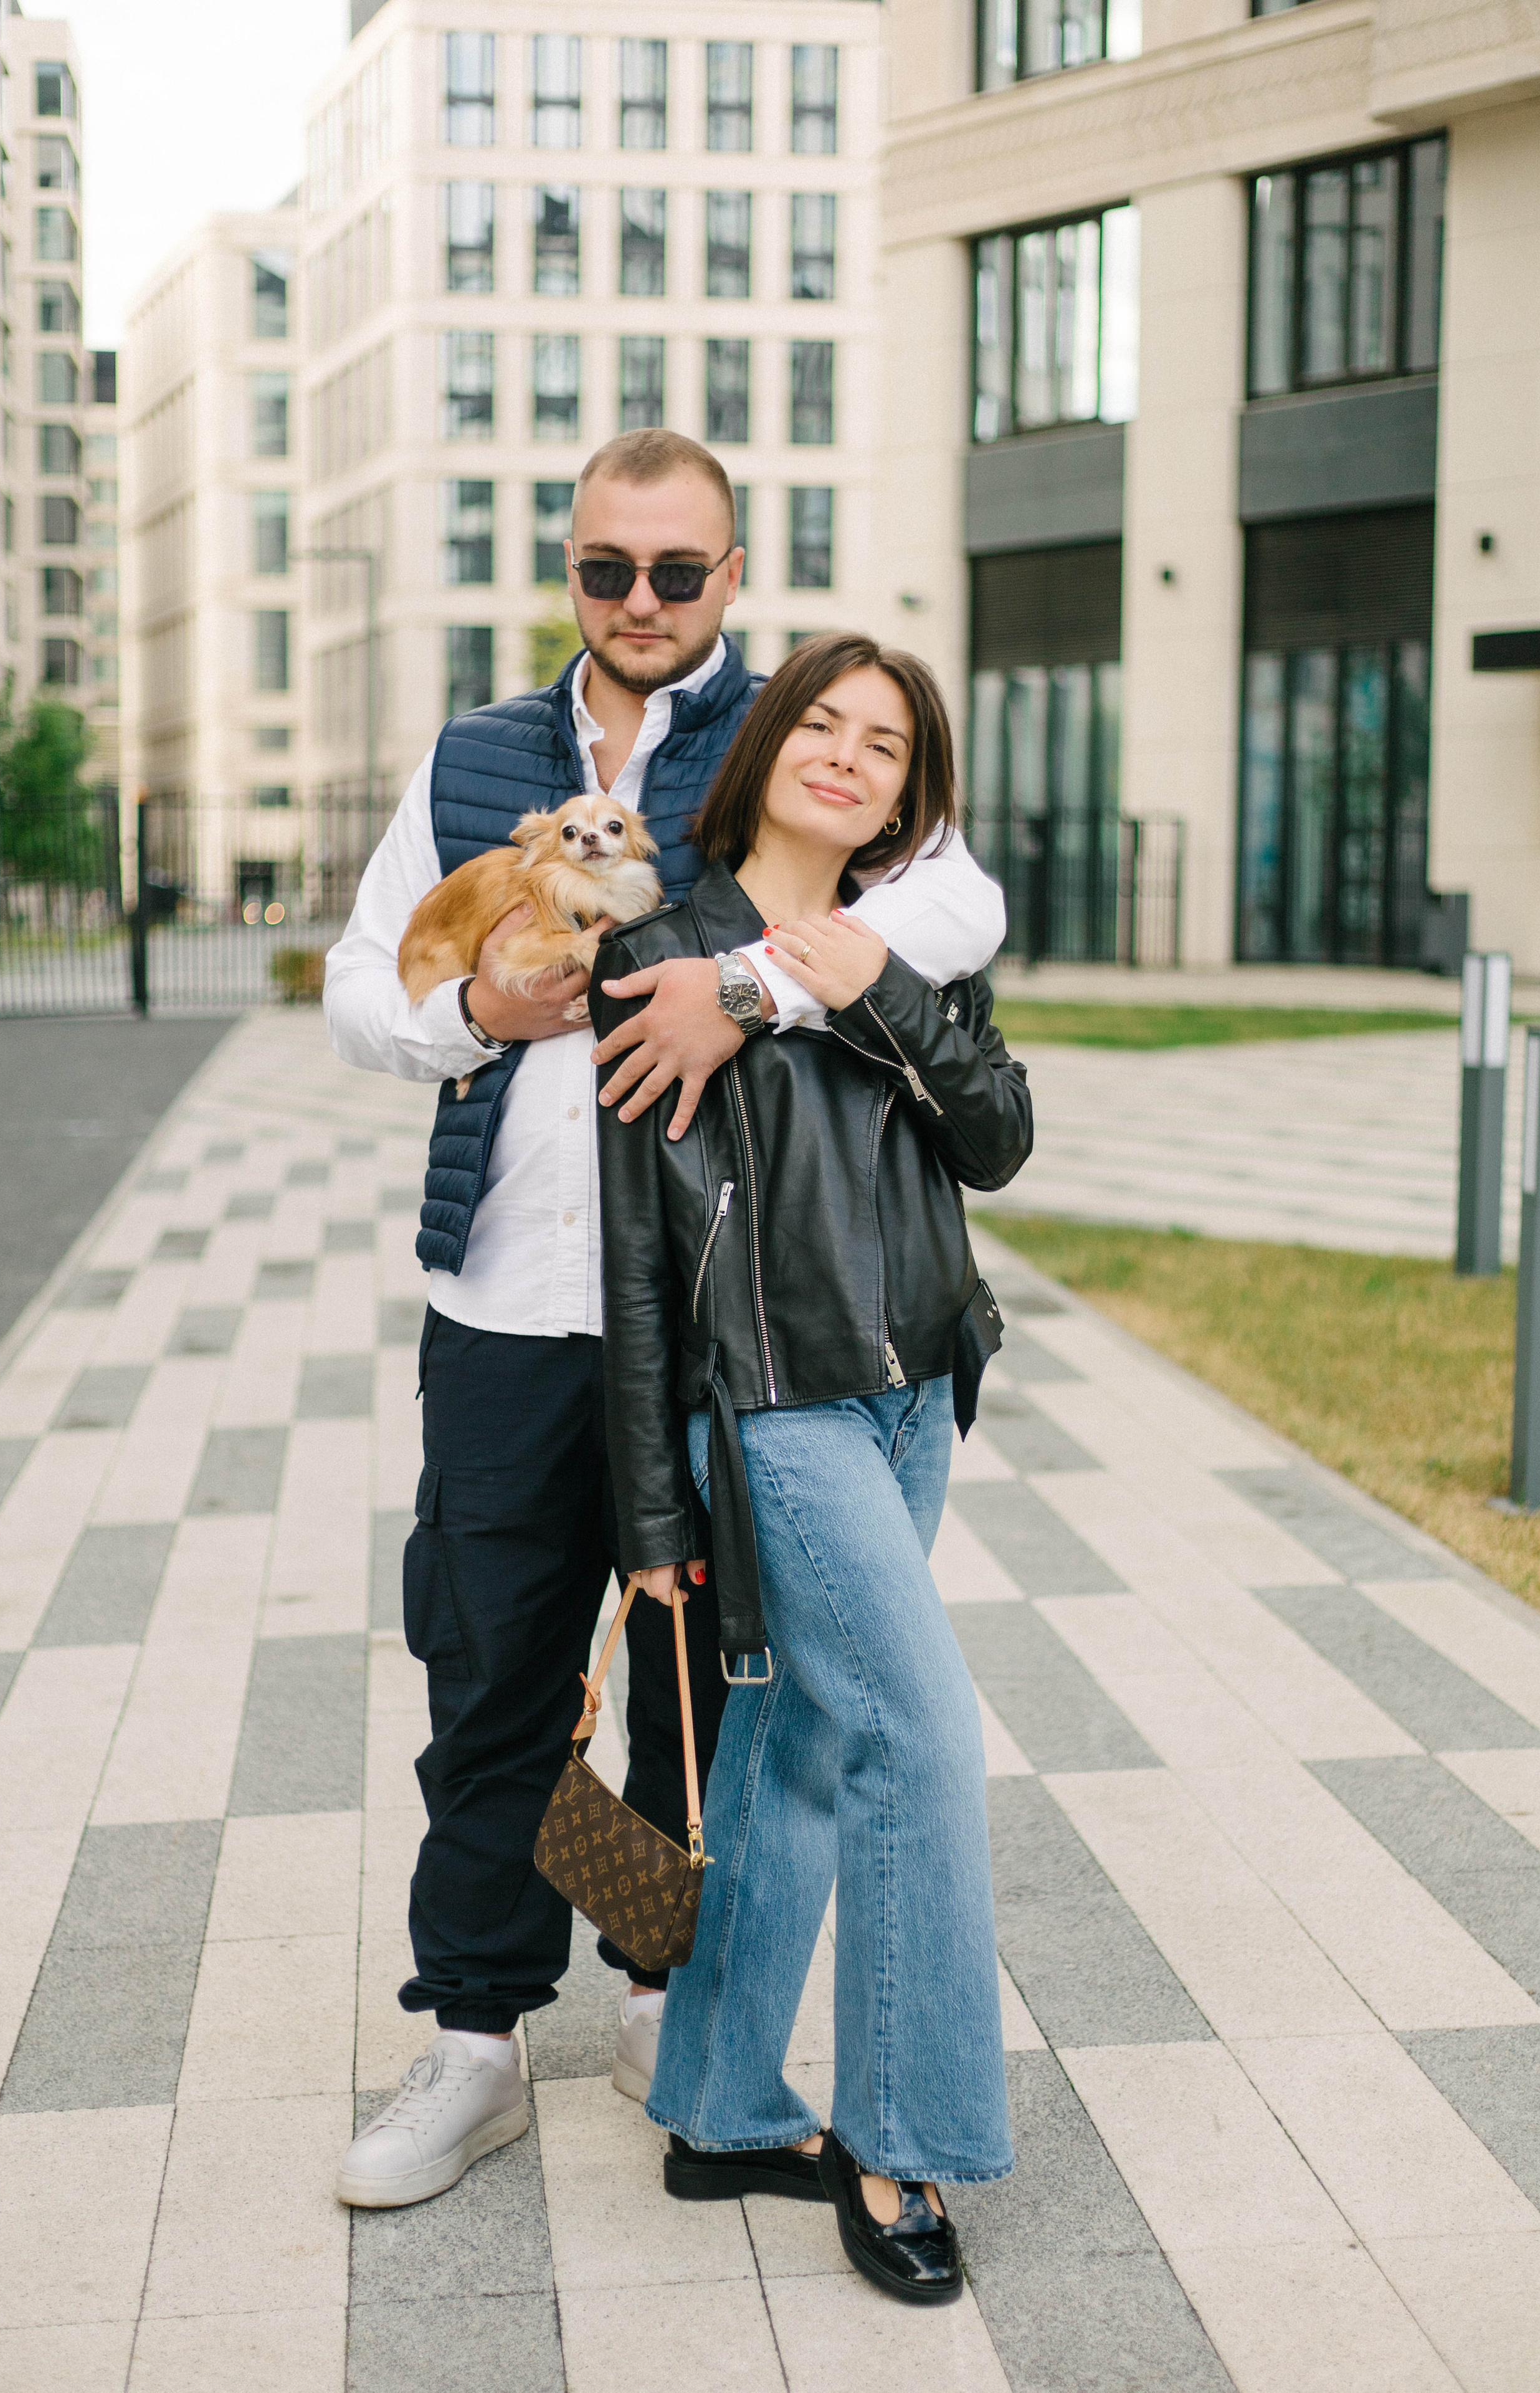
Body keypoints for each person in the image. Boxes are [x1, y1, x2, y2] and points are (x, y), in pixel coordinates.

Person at [322, 431, 1008, 2211]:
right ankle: (475, 2038)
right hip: (500, 1294)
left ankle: (652, 1994)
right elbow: (354, 982)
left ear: (729, 574)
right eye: (606, 569)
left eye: (678, 573)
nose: (641, 603)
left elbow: (953, 900)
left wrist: (742, 982)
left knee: (703, 1678)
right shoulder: (477, 756)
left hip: (716, 1318)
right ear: (569, 568)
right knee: (492, 1674)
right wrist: (473, 1005)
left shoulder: (780, 733)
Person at [591, 632, 1032, 2303]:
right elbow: (636, 1264)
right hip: (772, 1410)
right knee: (919, 1737)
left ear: (911, 793)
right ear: (770, 742)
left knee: (787, 1742)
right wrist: (649, 1512)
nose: (851, 756)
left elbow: (996, 1135)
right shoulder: (667, 945)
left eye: (890, 745)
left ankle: (713, 2104)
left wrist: (874, 987)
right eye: (826, 726)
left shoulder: (903, 938)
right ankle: (902, 2141)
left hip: (916, 1391)